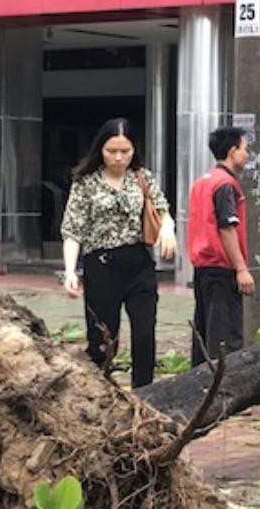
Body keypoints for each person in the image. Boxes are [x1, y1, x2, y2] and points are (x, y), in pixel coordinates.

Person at [60, 118, 176, 388]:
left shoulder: (142, 177)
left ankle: (145, 393)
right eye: (112, 151)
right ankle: (100, 393)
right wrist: (69, 272)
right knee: (102, 338)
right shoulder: (86, 182)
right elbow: (73, 230)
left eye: (125, 151)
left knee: (145, 332)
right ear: (100, 149)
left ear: (134, 150)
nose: (118, 157)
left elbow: (162, 209)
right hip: (101, 265)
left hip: (138, 263)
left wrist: (168, 228)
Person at [188, 127, 254, 366]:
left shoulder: (202, 182)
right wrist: (241, 268)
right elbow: (227, 228)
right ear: (232, 151)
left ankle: (197, 386)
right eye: (245, 149)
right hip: (222, 267)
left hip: (203, 267)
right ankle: (222, 390)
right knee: (225, 338)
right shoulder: (225, 184)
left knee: (205, 332)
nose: (247, 155)